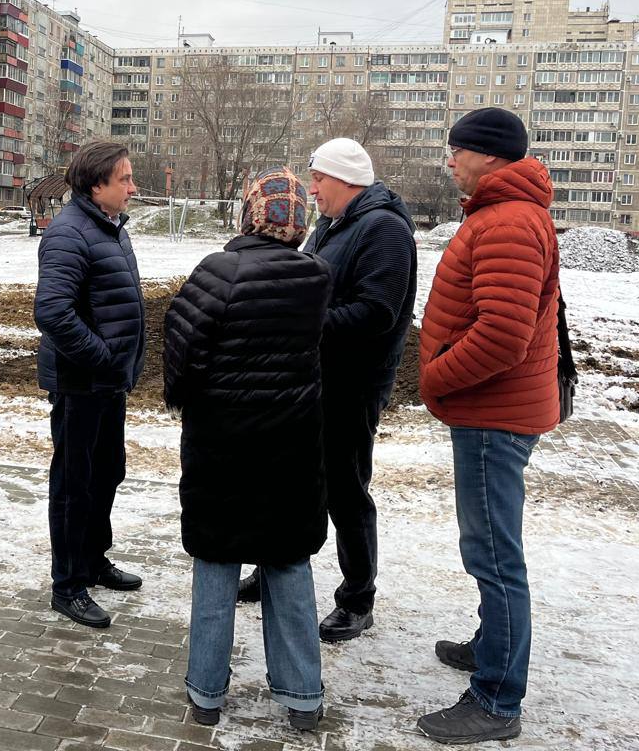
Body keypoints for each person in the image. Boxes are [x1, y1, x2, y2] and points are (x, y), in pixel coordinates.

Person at [164, 167, 333, 732]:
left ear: (249, 213)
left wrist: (185, 397)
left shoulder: (220, 271)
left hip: (224, 446)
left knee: (216, 562)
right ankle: (304, 697)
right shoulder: (316, 275)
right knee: (288, 561)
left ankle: (207, 692)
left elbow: (182, 347)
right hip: (291, 444)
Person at [237, 139, 417, 648]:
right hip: (312, 380)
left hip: (351, 386)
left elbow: (376, 314)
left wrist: (298, 323)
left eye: (318, 179)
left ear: (346, 179)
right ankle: (270, 571)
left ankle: (357, 599)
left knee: (345, 491)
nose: (310, 189)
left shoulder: (383, 229)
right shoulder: (333, 224)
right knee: (289, 482)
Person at [416, 107, 560, 744]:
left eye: (456, 150)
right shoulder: (505, 214)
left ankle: (497, 700)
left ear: (488, 155)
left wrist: (435, 375)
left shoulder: (507, 222)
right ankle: (489, 646)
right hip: (494, 408)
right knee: (491, 548)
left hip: (492, 413)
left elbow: (502, 335)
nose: (450, 161)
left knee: (495, 555)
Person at [35, 141, 146, 629]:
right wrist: (102, 358)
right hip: (81, 383)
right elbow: (53, 312)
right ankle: (68, 584)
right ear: (96, 183)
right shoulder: (68, 234)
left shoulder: (109, 227)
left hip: (108, 384)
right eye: (125, 179)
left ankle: (94, 561)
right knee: (73, 485)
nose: (133, 186)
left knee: (107, 473)